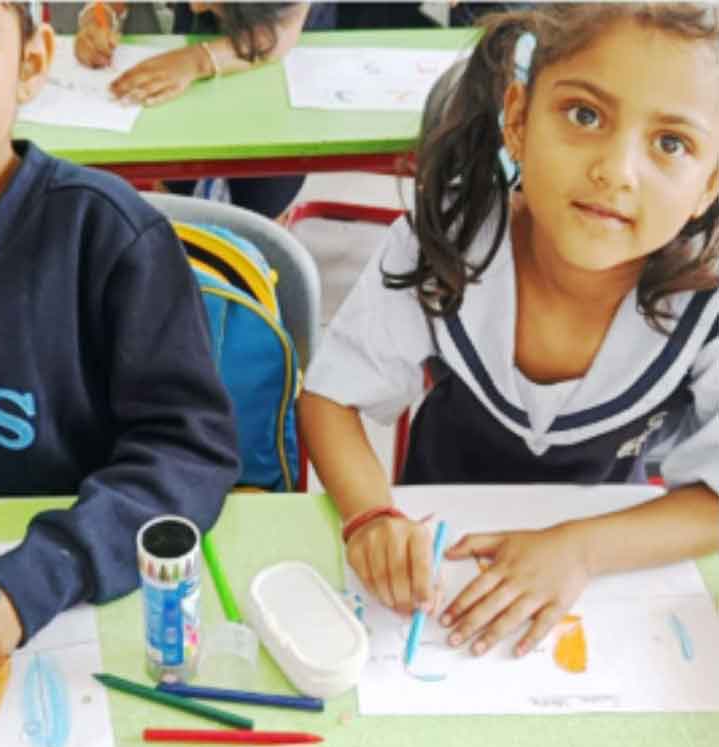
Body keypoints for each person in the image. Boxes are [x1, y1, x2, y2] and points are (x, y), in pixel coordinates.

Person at [299, 3, 719, 659]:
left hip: (610, 564)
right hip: (436, 555)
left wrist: (578, 551)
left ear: (709, 184)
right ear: (518, 120)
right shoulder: (450, 237)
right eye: (584, 115)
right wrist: (371, 516)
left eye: (671, 144)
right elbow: (331, 397)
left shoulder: (707, 302)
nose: (616, 170)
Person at [0, 1, 240, 668]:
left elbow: (187, 450)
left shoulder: (108, 237)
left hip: (75, 599)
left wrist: (50, 569)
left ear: (31, 64)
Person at [71, 2, 336, 219]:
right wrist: (100, 14)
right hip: (200, 40)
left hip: (276, 46)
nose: (195, 6)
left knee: (261, 193)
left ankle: (265, 238)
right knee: (178, 165)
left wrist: (198, 60)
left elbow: (280, 33)